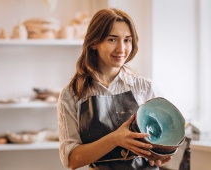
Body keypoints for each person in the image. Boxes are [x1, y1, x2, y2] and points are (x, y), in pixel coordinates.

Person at [57, 8, 171, 170]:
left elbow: (167, 139)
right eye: (112, 39)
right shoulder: (72, 94)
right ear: (94, 42)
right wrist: (115, 139)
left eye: (127, 40)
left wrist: (161, 155)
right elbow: (71, 160)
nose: (121, 49)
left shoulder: (145, 87)